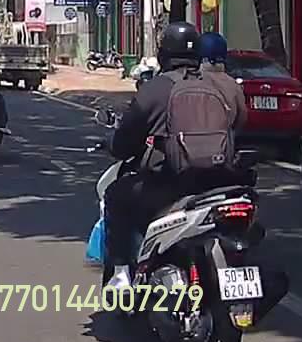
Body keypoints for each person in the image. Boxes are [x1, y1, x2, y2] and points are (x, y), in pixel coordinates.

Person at [103, 22, 247, 290]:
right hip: (221, 181)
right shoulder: (222, 86)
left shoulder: (155, 89)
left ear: (163, 53)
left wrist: (118, 146)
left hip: (174, 184)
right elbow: (240, 126)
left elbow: (125, 142)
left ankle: (121, 275)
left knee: (116, 195)